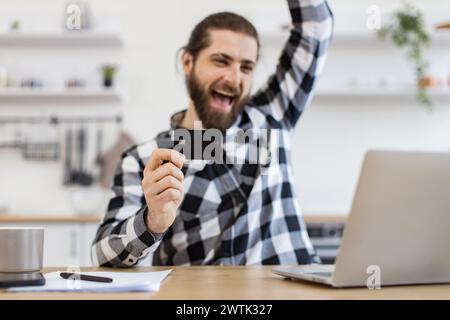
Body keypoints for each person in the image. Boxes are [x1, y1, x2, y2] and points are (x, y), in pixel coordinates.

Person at [92, 0, 334, 267]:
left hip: (293, 290)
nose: (234, 78)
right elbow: (102, 255)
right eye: (221, 61)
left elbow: (317, 25)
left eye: (246, 67)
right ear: (188, 61)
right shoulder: (142, 160)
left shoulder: (272, 114)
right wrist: (152, 221)